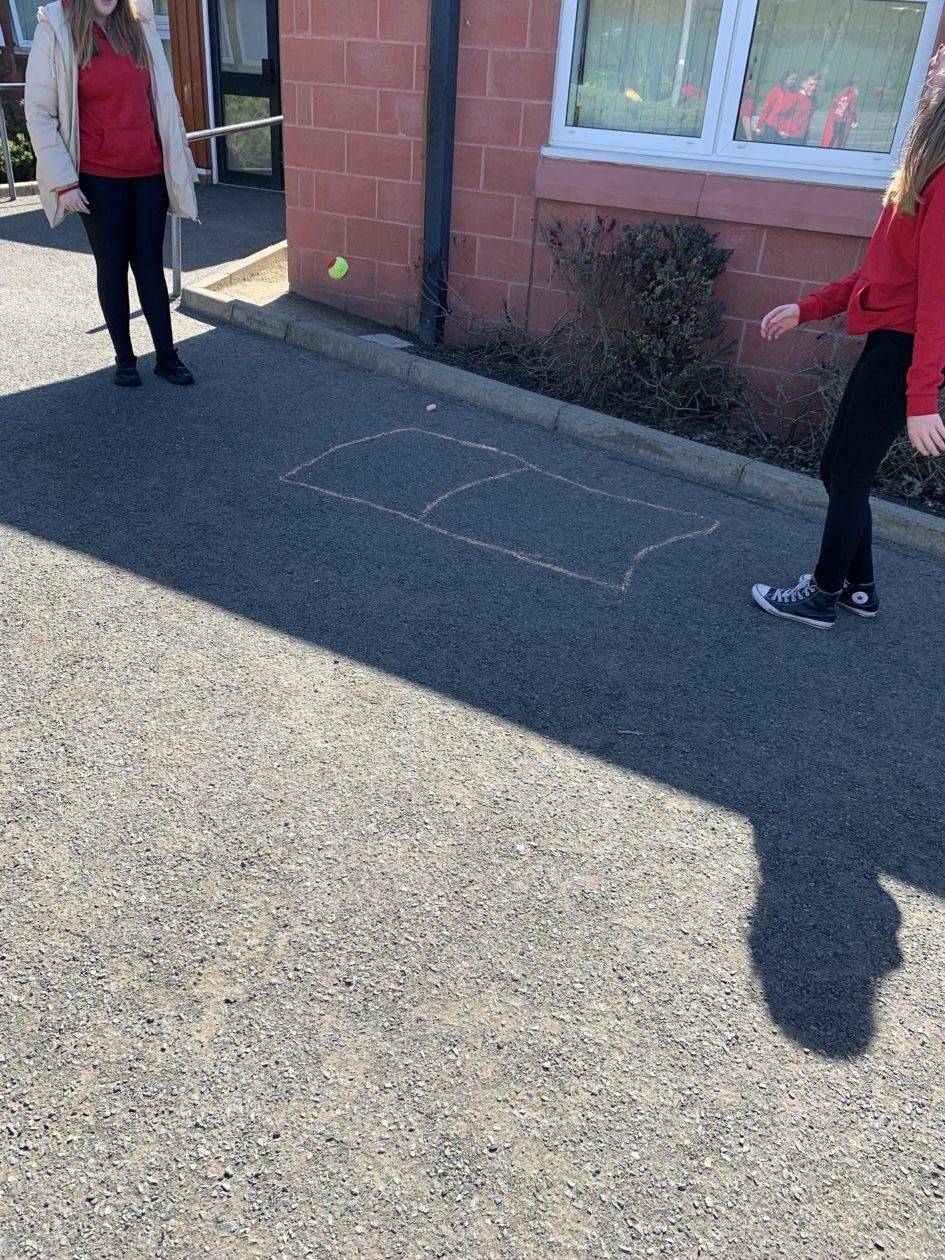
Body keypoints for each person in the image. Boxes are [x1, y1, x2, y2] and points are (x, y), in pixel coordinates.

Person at [752, 48, 945, 629]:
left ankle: (822, 594)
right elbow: (879, 272)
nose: (932, 72)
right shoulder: (925, 170)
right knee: (838, 468)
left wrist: (921, 397)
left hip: (905, 347)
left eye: (940, 68)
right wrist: (808, 308)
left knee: (846, 471)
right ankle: (859, 588)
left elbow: (939, 297)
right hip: (891, 340)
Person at [25, 0, 198, 387]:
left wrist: (179, 161)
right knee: (113, 266)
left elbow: (164, 102)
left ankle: (167, 357)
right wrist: (63, 182)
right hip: (98, 178)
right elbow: (39, 112)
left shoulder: (139, 26)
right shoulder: (56, 29)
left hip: (149, 171)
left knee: (150, 266)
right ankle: (125, 360)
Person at [774, 71, 819, 145]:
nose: (814, 88)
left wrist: (806, 133)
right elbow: (778, 113)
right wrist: (779, 130)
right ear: (803, 84)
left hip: (802, 137)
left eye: (816, 85)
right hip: (789, 137)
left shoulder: (813, 100)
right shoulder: (794, 97)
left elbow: (807, 120)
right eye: (811, 84)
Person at [755, 70, 798, 142]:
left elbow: (791, 115)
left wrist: (786, 129)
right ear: (785, 78)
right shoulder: (776, 90)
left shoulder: (794, 94)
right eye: (792, 79)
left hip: (782, 130)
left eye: (795, 80)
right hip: (771, 126)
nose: (794, 82)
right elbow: (766, 108)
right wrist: (759, 125)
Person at [821, 79, 859, 149]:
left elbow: (834, 103)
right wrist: (855, 120)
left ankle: (830, 147)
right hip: (842, 118)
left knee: (837, 135)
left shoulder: (841, 94)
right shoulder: (851, 95)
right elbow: (852, 109)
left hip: (837, 117)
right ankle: (835, 148)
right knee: (840, 136)